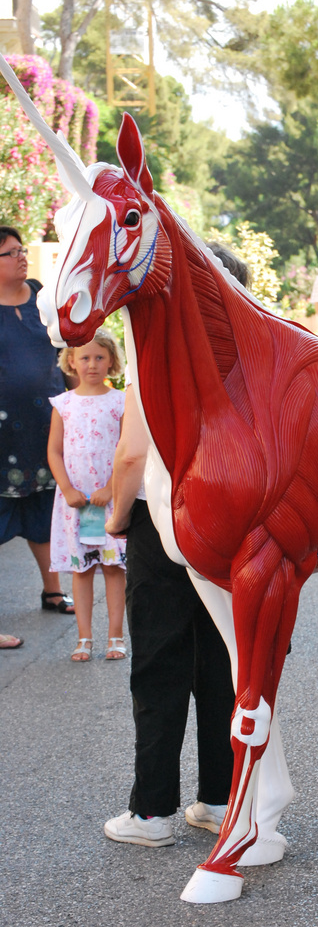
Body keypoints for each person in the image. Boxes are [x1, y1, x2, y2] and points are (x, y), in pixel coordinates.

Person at [102, 251, 252, 846]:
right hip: (233, 522)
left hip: (162, 521)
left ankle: (152, 811)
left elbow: (133, 455)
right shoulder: (255, 353)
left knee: (159, 666)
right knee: (224, 665)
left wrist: (116, 517)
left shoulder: (160, 354)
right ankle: (220, 797)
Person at [0, 226, 74, 615]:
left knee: (45, 512)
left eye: (21, 250)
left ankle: (53, 593)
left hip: (47, 430)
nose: (21, 256)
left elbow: (69, 352)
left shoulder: (42, 298)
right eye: (11, 253)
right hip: (3, 439)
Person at [47, 330, 127, 661]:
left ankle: (115, 637)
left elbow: (127, 450)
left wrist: (112, 488)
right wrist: (67, 488)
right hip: (75, 503)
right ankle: (84, 638)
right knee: (80, 571)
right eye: (84, 357)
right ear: (71, 362)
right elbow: (54, 452)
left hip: (110, 501)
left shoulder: (121, 401)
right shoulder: (63, 404)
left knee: (112, 568)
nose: (92, 364)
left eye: (99, 357)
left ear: (111, 361)